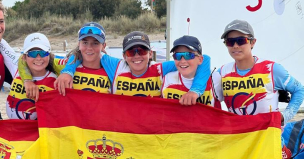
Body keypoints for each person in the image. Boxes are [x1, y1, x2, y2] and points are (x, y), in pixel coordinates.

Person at [215, 19, 304, 159]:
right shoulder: (221, 73)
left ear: (252, 42)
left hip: (270, 145)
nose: (236, 46)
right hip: (238, 146)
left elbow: (299, 90)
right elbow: (212, 101)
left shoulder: (272, 69)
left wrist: (284, 117)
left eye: (241, 40)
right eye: (230, 42)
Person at [58, 31, 211, 102]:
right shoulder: (117, 66)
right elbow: (84, 51)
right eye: (132, 52)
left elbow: (204, 60)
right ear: (124, 56)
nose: (137, 56)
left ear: (150, 54)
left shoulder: (160, 69)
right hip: (124, 132)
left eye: (142, 50)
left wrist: (195, 91)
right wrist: (67, 71)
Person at [19, 22, 111, 99]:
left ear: (103, 46)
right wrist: (27, 80)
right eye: (85, 43)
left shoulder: (112, 66)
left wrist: (68, 71)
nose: (38, 58)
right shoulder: (62, 63)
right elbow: (21, 59)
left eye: (95, 43)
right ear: (79, 44)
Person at [6, 33, 58, 120]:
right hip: (14, 129)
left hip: (39, 132)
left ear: (49, 55)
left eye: (43, 53)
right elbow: (0, 42)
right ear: (24, 57)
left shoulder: (56, 81)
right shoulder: (16, 71)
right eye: (32, 54)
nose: (38, 58)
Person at [162, 35, 221, 108]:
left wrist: (196, 90)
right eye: (177, 56)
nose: (182, 61)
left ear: (200, 59)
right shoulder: (166, 78)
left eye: (188, 55)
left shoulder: (216, 78)